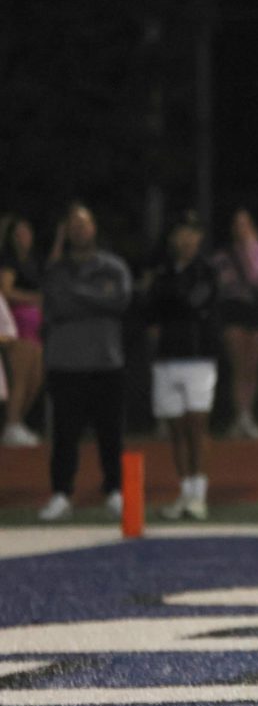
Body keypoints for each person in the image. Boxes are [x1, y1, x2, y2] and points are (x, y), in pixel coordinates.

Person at [38, 203, 133, 521]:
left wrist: (77, 295)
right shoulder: (55, 269)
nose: (80, 229)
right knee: (64, 436)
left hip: (106, 363)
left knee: (111, 433)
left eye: (85, 223)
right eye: (73, 224)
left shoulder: (113, 266)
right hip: (65, 364)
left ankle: (115, 491)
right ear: (66, 231)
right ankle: (61, 494)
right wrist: (95, 298)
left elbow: (119, 302)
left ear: (94, 228)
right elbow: (56, 307)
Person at [145, 211, 220, 520]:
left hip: (198, 357)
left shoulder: (207, 272)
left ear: (199, 238)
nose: (185, 239)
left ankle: (199, 496)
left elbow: (193, 302)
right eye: (180, 232)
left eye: (191, 233)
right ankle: (185, 492)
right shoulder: (163, 270)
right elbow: (149, 309)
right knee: (175, 428)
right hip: (167, 357)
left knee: (196, 425)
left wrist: (166, 294)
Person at [212, 208, 258, 439]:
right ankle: (241, 417)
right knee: (238, 366)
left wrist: (249, 249)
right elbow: (224, 283)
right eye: (237, 224)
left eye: (246, 224)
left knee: (252, 366)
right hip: (234, 312)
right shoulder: (222, 256)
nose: (241, 229)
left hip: (257, 312)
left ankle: (248, 416)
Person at [0, 215, 46, 447]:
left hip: (36, 328)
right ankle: (11, 424)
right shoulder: (9, 261)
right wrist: (34, 299)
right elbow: (5, 291)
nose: (24, 237)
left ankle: (17, 422)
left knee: (35, 378)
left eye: (27, 232)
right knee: (19, 378)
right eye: (19, 233)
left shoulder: (33, 261)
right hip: (19, 325)